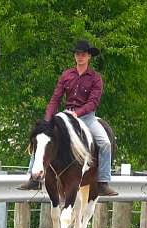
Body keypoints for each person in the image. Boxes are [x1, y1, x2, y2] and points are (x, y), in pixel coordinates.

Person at [18, 39, 118, 196]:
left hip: (87, 118)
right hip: (66, 115)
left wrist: (77, 113)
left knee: (105, 143)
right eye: (77, 54)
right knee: (41, 137)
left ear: (89, 56)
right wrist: (47, 119)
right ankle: (33, 177)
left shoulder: (95, 78)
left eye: (83, 54)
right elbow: (55, 98)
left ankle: (103, 182)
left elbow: (93, 102)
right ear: (75, 56)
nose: (80, 57)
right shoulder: (66, 75)